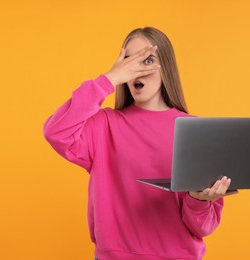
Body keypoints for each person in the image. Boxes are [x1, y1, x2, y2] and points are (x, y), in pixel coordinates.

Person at [43, 27, 237, 260]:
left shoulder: (196, 132)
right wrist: (108, 80)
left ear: (166, 68)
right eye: (129, 61)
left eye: (147, 60)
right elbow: (56, 132)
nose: (136, 69)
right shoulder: (104, 125)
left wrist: (199, 201)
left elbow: (203, 227)